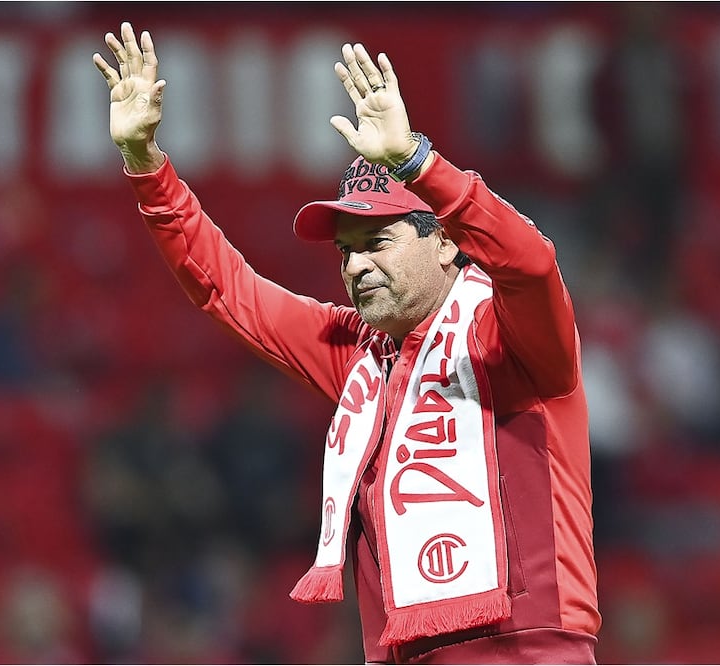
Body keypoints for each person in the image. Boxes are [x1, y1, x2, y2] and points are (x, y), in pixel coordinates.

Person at [93, 22, 600, 664]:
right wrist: (146, 164)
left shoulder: (514, 336)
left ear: (447, 241)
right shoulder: (359, 352)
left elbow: (530, 263)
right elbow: (226, 288)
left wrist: (419, 164)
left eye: (377, 242)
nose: (356, 266)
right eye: (346, 251)